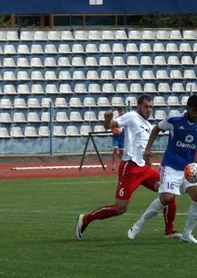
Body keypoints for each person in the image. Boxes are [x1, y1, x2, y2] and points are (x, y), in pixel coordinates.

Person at [75, 95, 179, 240]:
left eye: (151, 107)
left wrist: (150, 166)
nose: (149, 110)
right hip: (129, 169)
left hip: (144, 169)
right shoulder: (131, 116)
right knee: (120, 209)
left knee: (168, 192)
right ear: (138, 106)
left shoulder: (149, 126)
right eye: (146, 106)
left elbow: (145, 152)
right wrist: (107, 119)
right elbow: (110, 125)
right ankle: (85, 219)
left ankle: (170, 231)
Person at [127, 95, 197, 244]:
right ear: (188, 108)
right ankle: (137, 226)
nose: (196, 115)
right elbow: (156, 129)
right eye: (194, 111)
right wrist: (148, 148)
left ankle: (187, 234)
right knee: (167, 198)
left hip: (188, 169)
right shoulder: (174, 120)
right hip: (170, 166)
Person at [111, 107, 125, 171]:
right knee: (115, 150)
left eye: (122, 111)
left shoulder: (126, 119)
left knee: (122, 151)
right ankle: (113, 164)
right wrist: (114, 131)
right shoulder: (116, 119)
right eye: (120, 111)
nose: (121, 112)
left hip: (122, 137)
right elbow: (112, 127)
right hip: (116, 137)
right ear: (118, 112)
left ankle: (122, 164)